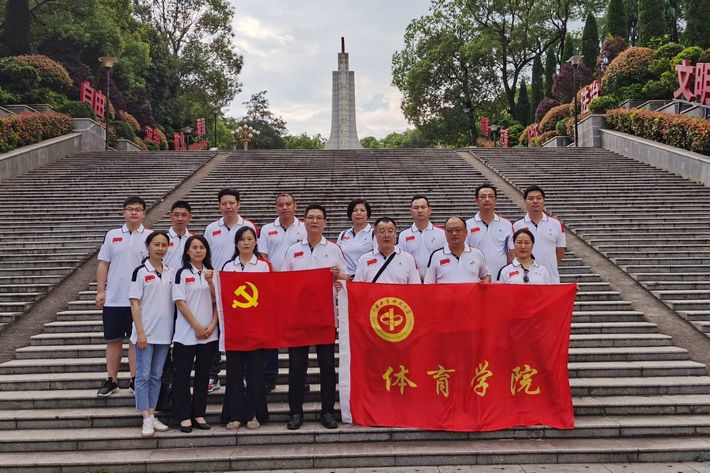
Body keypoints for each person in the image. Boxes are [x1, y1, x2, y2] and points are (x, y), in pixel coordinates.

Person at [281, 204, 346, 431]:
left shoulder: (334, 249)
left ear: (325, 222)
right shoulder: (293, 250)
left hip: (324, 317)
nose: (315, 221)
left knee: (327, 367)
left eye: (319, 218)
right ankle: (295, 412)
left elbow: (345, 279)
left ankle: (328, 412)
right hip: (298, 318)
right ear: (304, 221)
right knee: (297, 367)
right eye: (310, 217)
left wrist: (339, 276)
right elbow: (284, 282)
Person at [95, 196, 151, 396]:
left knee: (136, 341)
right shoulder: (112, 235)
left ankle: (135, 379)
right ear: (123, 212)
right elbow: (103, 264)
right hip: (114, 298)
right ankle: (112, 379)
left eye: (138, 209)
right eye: (130, 209)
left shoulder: (151, 237)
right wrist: (100, 291)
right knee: (113, 340)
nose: (134, 212)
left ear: (144, 213)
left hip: (140, 300)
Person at [205, 188, 257, 393]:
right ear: (219, 206)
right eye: (224, 203)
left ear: (238, 204)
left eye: (231, 203)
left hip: (245, 291)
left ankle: (243, 375)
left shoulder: (248, 226)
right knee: (215, 332)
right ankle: (213, 375)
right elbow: (206, 256)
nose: (228, 207)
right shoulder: (211, 229)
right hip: (217, 287)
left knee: (243, 333)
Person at [220, 226, 271, 430]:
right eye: (242, 239)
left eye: (250, 239)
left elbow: (268, 294)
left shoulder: (263, 266)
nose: (246, 242)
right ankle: (235, 414)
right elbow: (222, 295)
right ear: (236, 243)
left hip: (256, 327)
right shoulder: (227, 266)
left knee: (255, 373)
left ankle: (253, 413)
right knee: (234, 372)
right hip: (234, 327)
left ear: (255, 242)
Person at [256, 193, 306, 392]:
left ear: (295, 206)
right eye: (280, 205)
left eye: (288, 204)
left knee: (298, 333)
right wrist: (275, 272)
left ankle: (300, 377)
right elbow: (262, 254)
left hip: (297, 287)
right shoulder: (267, 229)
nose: (285, 208)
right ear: (276, 208)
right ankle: (269, 375)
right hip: (272, 285)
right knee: (271, 332)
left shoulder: (304, 228)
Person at [128, 231, 175, 437]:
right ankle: (145, 417)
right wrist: (140, 332)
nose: (160, 248)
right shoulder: (140, 272)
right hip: (145, 332)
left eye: (164, 245)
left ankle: (153, 413)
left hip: (164, 333)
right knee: (143, 375)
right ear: (148, 247)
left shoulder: (171, 271)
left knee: (156, 375)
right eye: (156, 244)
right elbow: (134, 302)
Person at [172, 235, 218, 433]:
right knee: (182, 375)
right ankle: (184, 415)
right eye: (194, 247)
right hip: (186, 334)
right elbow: (180, 302)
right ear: (188, 251)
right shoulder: (181, 273)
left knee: (203, 375)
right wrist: (197, 326)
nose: (198, 251)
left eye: (202, 247)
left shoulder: (212, 274)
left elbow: (219, 301)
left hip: (209, 334)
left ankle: (199, 413)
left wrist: (212, 325)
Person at [512, 186, 566, 284]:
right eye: (531, 198)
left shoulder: (556, 223)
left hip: (550, 279)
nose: (535, 201)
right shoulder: (517, 225)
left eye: (539, 198)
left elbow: (561, 250)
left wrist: (549, 266)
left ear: (543, 201)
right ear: (525, 202)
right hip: (525, 280)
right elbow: (514, 251)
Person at [466, 184, 514, 282]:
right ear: (476, 200)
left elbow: (511, 254)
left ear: (495, 200)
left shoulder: (506, 224)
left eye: (490, 196)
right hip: (477, 280)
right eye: (483, 197)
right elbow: (465, 254)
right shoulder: (467, 225)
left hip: (500, 280)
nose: (487, 199)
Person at [425, 217, 491, 284]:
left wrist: (485, 283)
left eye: (458, 230)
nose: (454, 233)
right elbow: (428, 283)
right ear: (445, 233)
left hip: (472, 291)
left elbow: (486, 275)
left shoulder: (477, 254)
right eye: (450, 230)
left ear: (466, 232)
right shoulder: (436, 256)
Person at [354, 217, 419, 284]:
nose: (386, 235)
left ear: (395, 233)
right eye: (382, 232)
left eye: (390, 231)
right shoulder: (364, 259)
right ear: (375, 233)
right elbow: (358, 287)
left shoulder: (408, 259)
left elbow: (415, 286)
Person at [398, 195, 446, 281]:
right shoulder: (403, 235)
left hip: (437, 281)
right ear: (411, 211)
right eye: (416, 208)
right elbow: (401, 260)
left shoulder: (442, 233)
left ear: (429, 210)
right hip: (413, 282)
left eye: (423, 207)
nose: (420, 210)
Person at [337, 198, 374, 279]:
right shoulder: (343, 234)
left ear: (367, 214)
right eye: (355, 210)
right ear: (350, 214)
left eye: (362, 210)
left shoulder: (374, 234)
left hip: (366, 279)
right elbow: (337, 258)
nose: (358, 213)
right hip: (346, 279)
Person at [164, 201, 194, 269]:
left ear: (190, 217)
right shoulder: (162, 239)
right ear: (170, 216)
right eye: (176, 215)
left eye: (184, 215)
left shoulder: (194, 239)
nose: (180, 219)